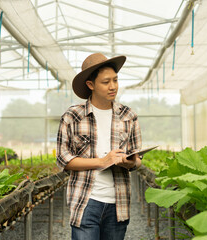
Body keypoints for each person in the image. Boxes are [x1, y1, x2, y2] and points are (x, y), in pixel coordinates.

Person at [56, 53, 142, 240]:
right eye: (105, 82)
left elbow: (137, 161)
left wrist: (130, 163)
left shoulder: (129, 116)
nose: (113, 86)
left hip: (118, 203)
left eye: (115, 80)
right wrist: (103, 161)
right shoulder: (73, 116)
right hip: (86, 200)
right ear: (91, 85)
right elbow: (63, 159)